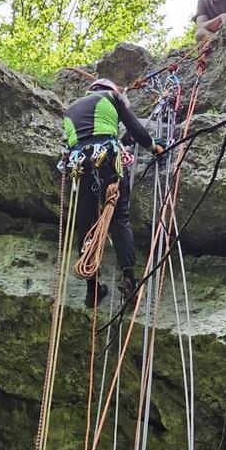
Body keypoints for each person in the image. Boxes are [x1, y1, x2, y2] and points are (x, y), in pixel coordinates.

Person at [62, 78, 166, 307]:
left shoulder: (70, 110)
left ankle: (92, 291)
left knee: (87, 224)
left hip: (79, 167)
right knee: (118, 218)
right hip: (107, 160)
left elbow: (68, 146)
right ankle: (129, 279)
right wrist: (155, 148)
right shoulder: (112, 97)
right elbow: (136, 129)